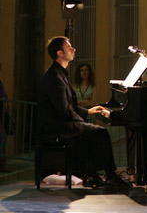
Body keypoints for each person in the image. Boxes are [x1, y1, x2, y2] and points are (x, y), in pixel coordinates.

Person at [37, 36, 129, 189]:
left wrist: (89, 112)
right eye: (69, 48)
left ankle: (91, 175)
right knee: (100, 132)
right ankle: (110, 175)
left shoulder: (60, 74)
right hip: (55, 128)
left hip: (61, 123)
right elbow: (64, 110)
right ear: (60, 53)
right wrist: (82, 122)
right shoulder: (54, 77)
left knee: (92, 132)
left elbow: (69, 106)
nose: (74, 50)